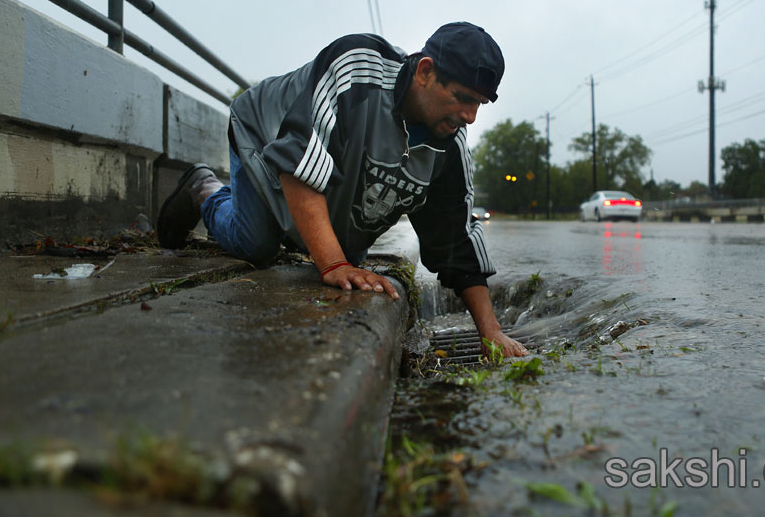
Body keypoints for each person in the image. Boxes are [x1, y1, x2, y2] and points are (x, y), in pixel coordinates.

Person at [157, 22, 527, 358]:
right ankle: (205, 190)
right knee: (257, 245)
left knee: (348, 252)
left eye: (479, 104)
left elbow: (456, 241)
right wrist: (332, 263)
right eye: (463, 97)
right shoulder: (357, 67)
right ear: (426, 72)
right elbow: (297, 156)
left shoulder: (450, 144)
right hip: (266, 134)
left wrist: (491, 332)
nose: (470, 117)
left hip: (335, 174)